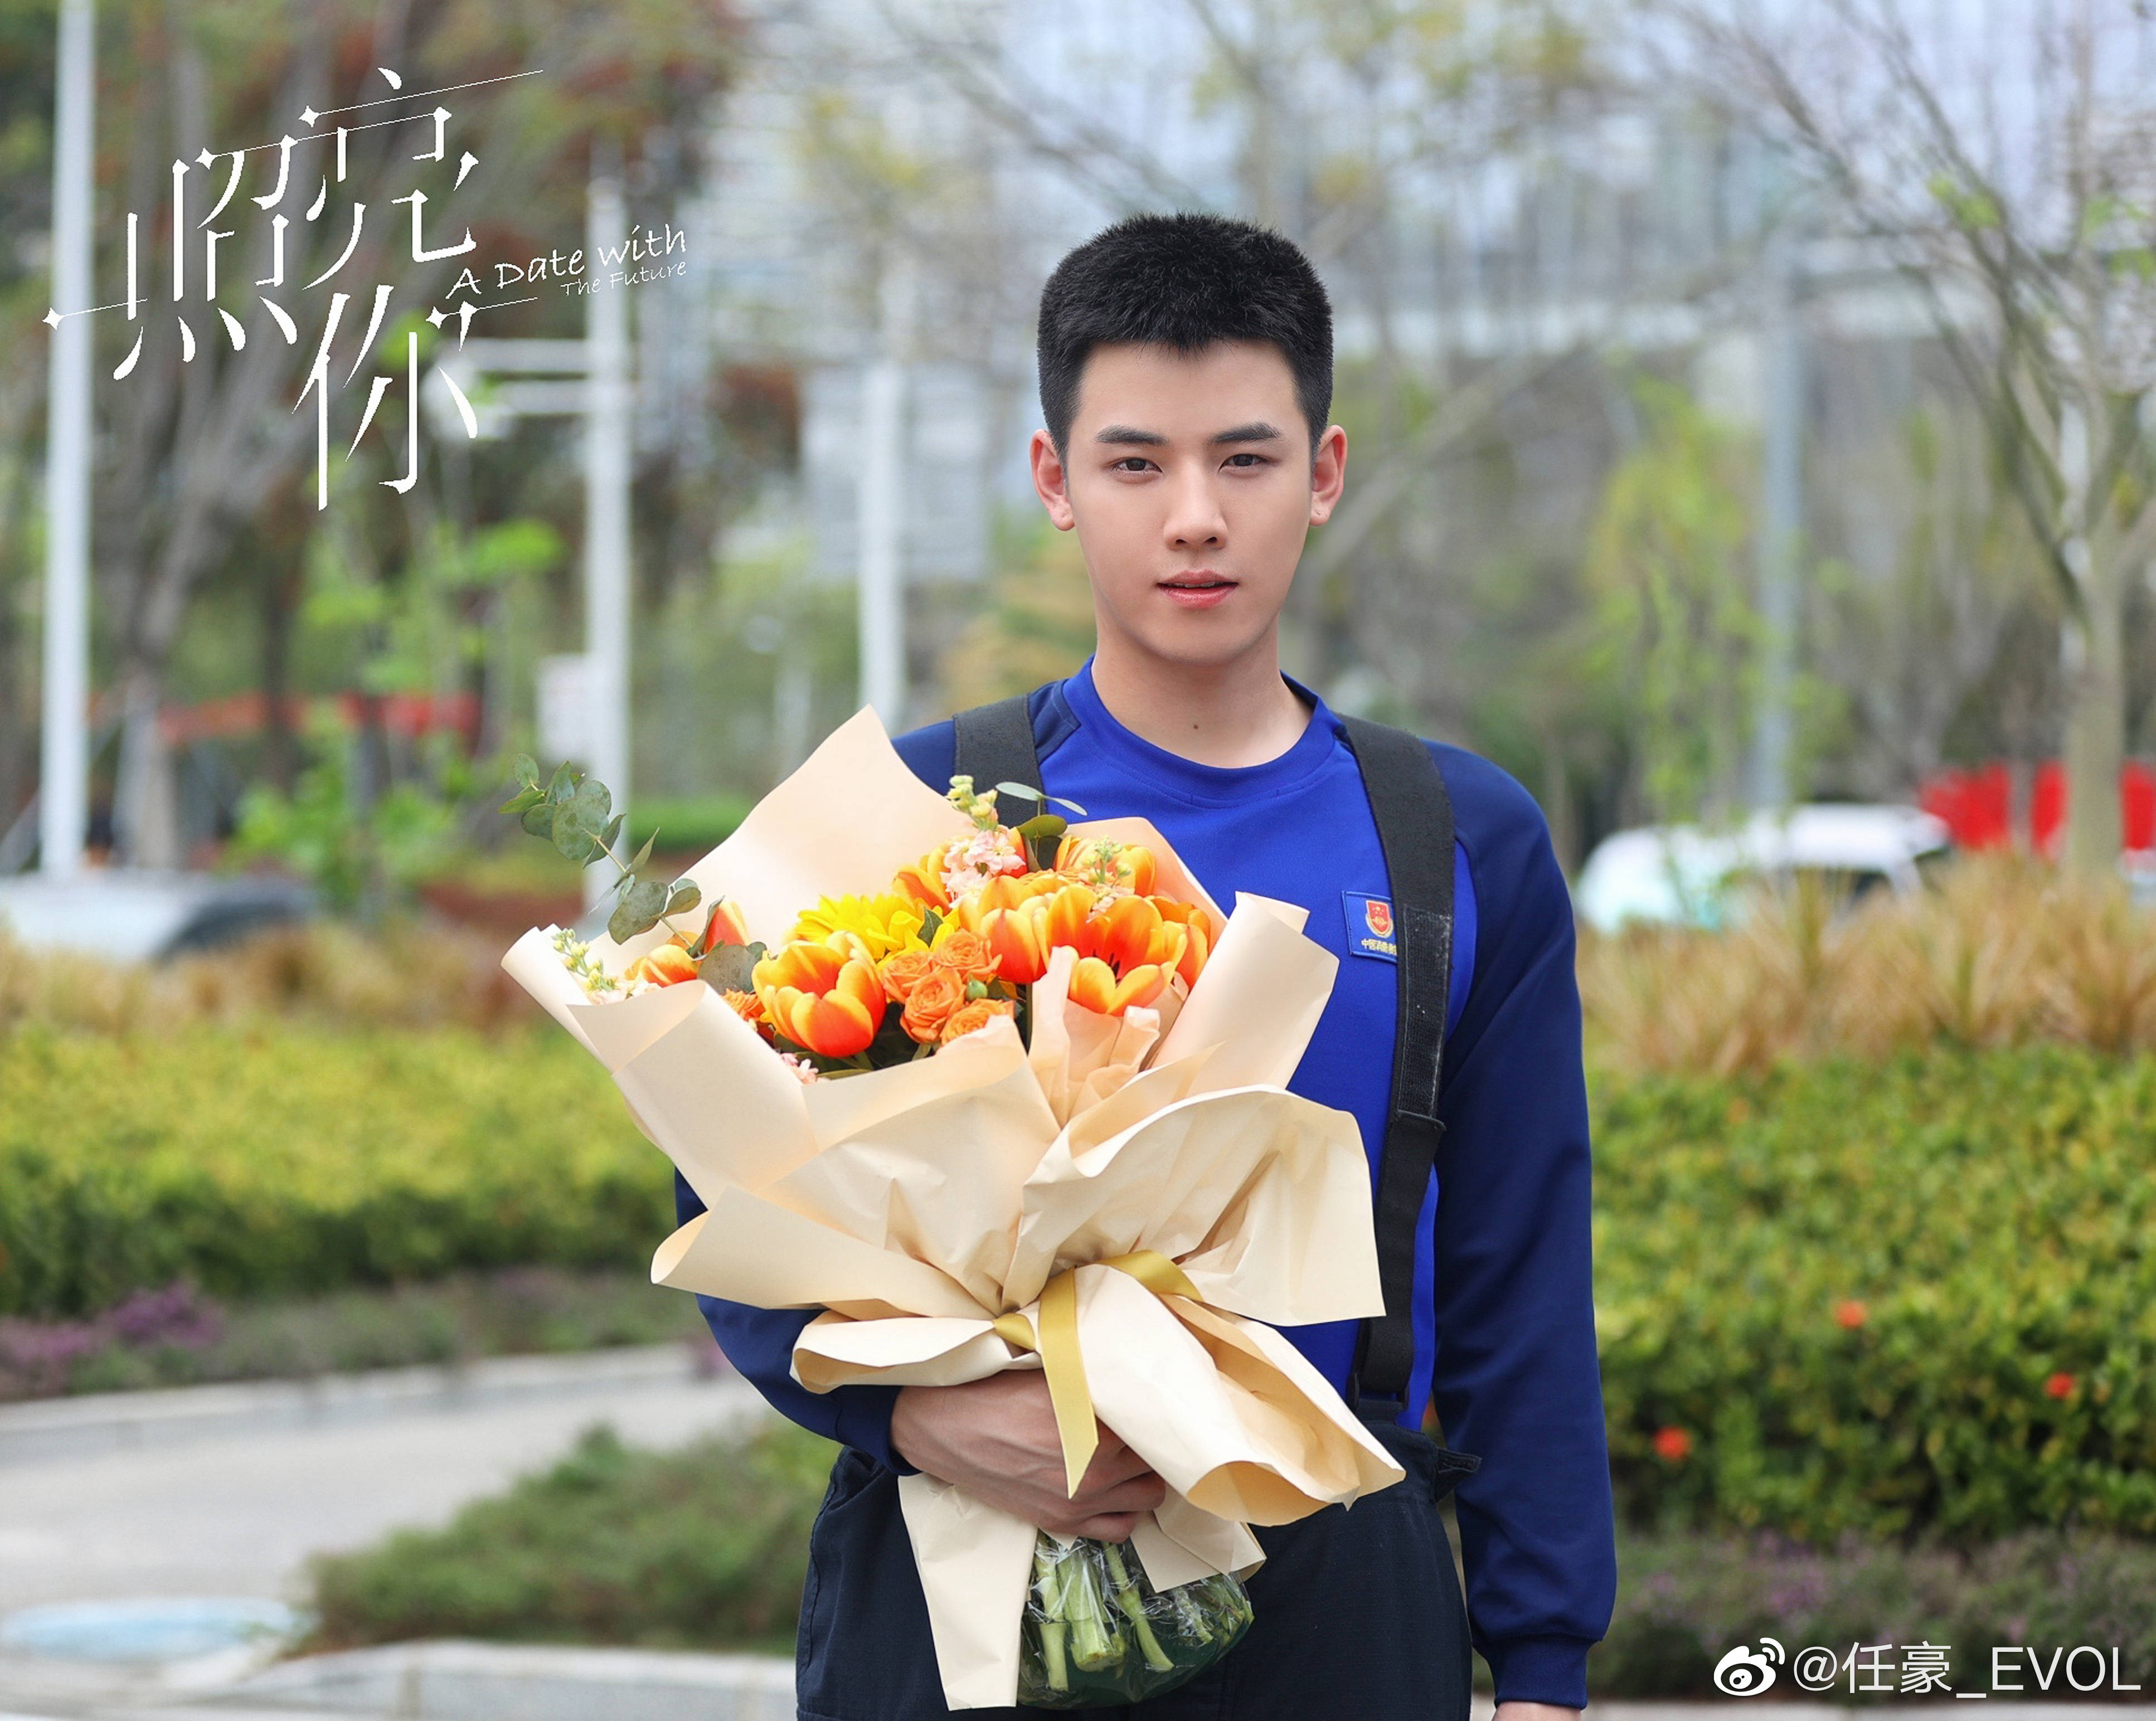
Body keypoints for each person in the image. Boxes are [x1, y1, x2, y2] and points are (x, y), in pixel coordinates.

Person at [676, 211, 1616, 1721]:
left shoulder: (1456, 839)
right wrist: (917, 1421)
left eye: (1244, 460)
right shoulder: (913, 810)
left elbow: (1522, 1275)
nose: (1195, 517)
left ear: (1323, 473)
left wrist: (1545, 1666)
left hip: (1340, 1577)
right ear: (1054, 480)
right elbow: (725, 1192)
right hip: (968, 1569)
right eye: (1136, 464)